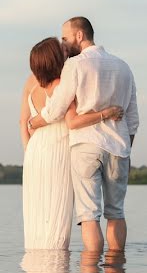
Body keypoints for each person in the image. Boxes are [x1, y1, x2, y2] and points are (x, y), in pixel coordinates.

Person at [27, 17, 139, 253]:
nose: (64, 44)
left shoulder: (75, 65)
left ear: (79, 36)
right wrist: (126, 149)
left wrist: (35, 121)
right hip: (119, 148)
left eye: (66, 38)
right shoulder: (123, 67)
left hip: (86, 146)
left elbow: (57, 108)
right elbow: (132, 119)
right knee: (116, 212)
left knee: (89, 215)